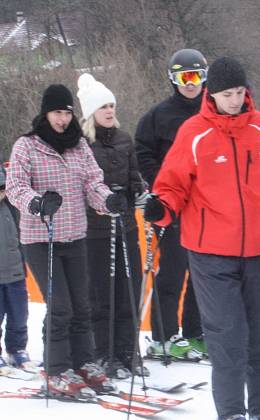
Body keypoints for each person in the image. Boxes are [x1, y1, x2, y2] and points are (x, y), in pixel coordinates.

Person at [143, 57, 260, 420]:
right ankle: (231, 415)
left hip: (255, 251)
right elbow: (172, 185)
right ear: (211, 94)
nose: (235, 100)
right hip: (210, 252)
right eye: (227, 94)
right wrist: (161, 208)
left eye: (239, 93)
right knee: (229, 334)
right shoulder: (194, 133)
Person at [6, 84, 128, 397]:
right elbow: (16, 187)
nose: (62, 119)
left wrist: (109, 200)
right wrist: (36, 202)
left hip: (74, 235)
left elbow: (92, 184)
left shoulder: (78, 146)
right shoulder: (27, 145)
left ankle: (84, 362)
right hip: (40, 237)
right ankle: (57, 369)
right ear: (45, 113)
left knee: (82, 305)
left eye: (66, 112)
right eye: (56, 112)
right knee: (60, 306)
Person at [135, 48, 206, 360]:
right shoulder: (159, 115)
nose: (190, 84)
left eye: (196, 77)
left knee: (203, 273)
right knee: (173, 271)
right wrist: (161, 185)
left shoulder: (214, 110)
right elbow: (142, 152)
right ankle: (163, 335)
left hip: (207, 205)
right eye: (184, 77)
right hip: (173, 205)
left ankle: (195, 333)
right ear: (173, 80)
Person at [77, 73, 149, 379]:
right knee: (101, 293)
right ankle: (103, 353)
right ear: (91, 112)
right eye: (103, 106)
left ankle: (127, 351)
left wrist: (140, 192)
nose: (110, 111)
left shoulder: (124, 139)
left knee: (128, 290)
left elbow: (134, 177)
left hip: (125, 227)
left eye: (112, 105)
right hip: (95, 231)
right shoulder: (81, 144)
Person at [0, 163, 32, 374]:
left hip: (15, 273)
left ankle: (17, 349)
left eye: (3, 189)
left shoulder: (12, 208)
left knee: (19, 314)